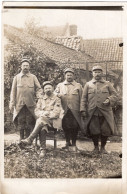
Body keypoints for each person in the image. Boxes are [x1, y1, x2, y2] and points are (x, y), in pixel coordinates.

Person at [80, 65, 118, 154]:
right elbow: (83, 98)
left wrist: (109, 100)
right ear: (92, 73)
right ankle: (96, 147)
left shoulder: (107, 84)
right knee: (94, 130)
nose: (97, 74)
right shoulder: (88, 84)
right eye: (95, 72)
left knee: (106, 130)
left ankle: (103, 148)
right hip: (92, 111)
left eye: (99, 72)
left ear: (102, 73)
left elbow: (115, 95)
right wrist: (83, 110)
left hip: (105, 112)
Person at [21, 81, 62, 157]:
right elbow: (36, 111)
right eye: (46, 88)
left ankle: (30, 139)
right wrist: (43, 114)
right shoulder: (41, 99)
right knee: (43, 128)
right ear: (43, 90)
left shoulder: (57, 99)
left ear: (53, 88)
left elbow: (56, 113)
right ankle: (43, 150)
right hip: (43, 122)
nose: (48, 89)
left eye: (49, 88)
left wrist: (46, 114)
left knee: (41, 120)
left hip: (53, 122)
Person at [9, 58, 42, 141]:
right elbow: (13, 91)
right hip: (19, 104)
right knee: (20, 120)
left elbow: (39, 89)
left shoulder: (33, 77)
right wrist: (12, 102)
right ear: (21, 66)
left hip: (30, 104)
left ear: (29, 67)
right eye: (24, 65)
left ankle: (27, 139)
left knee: (29, 121)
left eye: (27, 65)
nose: (25, 67)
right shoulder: (16, 78)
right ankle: (21, 138)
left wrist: (40, 98)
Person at [55, 68, 83, 151]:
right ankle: (67, 143)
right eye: (68, 75)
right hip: (64, 109)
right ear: (65, 76)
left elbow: (82, 98)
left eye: (71, 75)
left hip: (75, 110)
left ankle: (74, 144)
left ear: (74, 76)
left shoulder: (78, 85)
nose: (69, 76)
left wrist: (82, 109)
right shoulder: (60, 85)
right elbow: (54, 93)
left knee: (75, 126)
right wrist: (58, 94)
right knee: (65, 126)